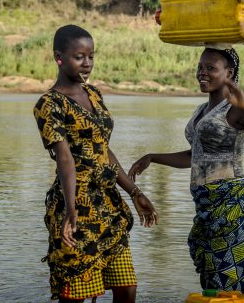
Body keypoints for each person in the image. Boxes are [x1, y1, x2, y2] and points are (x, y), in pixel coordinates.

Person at [129, 47, 244, 293]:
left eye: (210, 68)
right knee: (210, 287)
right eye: (200, 67)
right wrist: (153, 157)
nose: (202, 73)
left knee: (227, 289)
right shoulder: (202, 110)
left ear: (229, 73)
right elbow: (196, 157)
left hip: (233, 205)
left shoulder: (236, 109)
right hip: (206, 207)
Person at [33, 24, 159, 303]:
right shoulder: (49, 104)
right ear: (59, 57)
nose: (87, 63)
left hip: (108, 205)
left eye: (91, 56)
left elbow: (103, 150)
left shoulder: (95, 95)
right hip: (76, 204)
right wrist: (70, 209)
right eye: (79, 56)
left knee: (127, 288)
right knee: (76, 290)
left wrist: (135, 192)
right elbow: (65, 159)